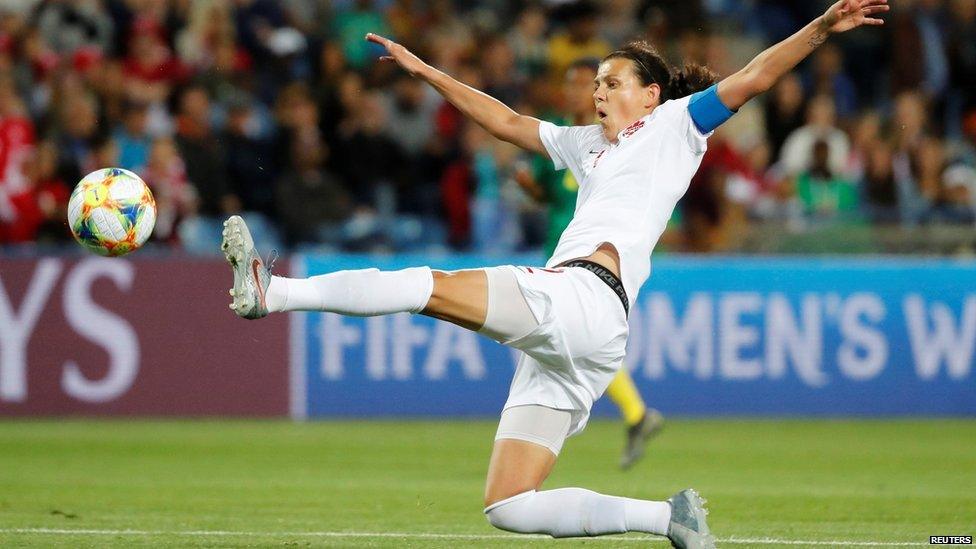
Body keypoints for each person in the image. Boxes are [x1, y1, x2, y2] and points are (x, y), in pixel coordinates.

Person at [221, 2, 887, 546]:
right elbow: (505, 119)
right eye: (595, 82)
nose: (599, 91)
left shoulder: (678, 125)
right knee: (509, 505)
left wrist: (820, 28)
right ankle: (669, 517)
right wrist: (428, 72)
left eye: (613, 82)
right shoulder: (584, 145)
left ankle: (272, 292)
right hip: (587, 333)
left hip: (585, 298)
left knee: (429, 284)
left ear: (651, 93)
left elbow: (757, 76)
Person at [514, 57, 664, 470]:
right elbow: (547, 196)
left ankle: (625, 415)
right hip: (560, 252)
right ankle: (633, 415)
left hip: (603, 262)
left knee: (571, 340)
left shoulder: (630, 142)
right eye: (576, 82)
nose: (582, 91)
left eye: (591, 82)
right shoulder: (568, 139)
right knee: (569, 341)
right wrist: (530, 189)